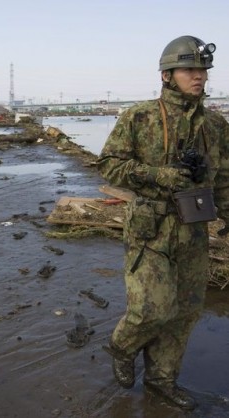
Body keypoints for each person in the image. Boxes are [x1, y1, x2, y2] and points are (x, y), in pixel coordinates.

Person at [97, 36, 229, 410]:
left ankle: (161, 380)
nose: (199, 77)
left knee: (185, 310)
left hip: (194, 229)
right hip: (150, 228)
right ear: (167, 75)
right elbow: (109, 165)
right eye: (190, 69)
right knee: (152, 309)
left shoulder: (216, 124)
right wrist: (159, 175)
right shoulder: (140, 116)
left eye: (202, 70)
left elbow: (224, 177)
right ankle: (122, 348)